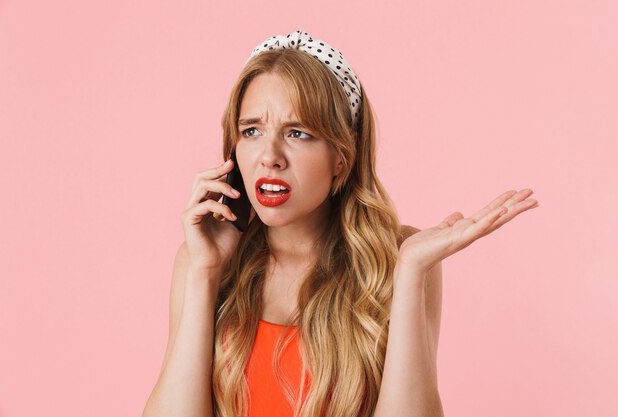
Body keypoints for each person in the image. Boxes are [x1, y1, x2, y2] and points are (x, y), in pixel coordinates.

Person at [142, 29, 539, 417]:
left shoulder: (399, 260)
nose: (270, 156)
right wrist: (204, 273)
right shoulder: (202, 261)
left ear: (342, 158)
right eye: (251, 131)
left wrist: (411, 271)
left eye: (297, 132)